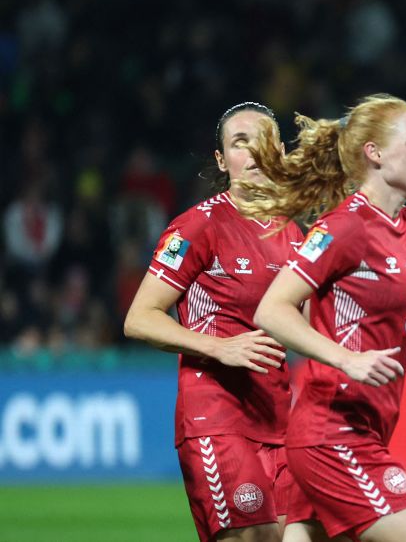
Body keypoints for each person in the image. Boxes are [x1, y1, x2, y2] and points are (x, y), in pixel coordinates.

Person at [240, 95, 406, 542]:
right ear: (375, 154)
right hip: (333, 433)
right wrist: (345, 358)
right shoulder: (344, 227)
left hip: (365, 428)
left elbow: (399, 325)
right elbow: (272, 309)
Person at [124, 102, 300, 542]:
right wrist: (221, 346)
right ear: (223, 161)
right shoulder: (198, 227)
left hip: (281, 420)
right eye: (239, 143)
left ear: (280, 150)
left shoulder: (294, 233)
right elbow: (139, 318)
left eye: (262, 140)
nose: (253, 152)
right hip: (216, 415)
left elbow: (318, 327)